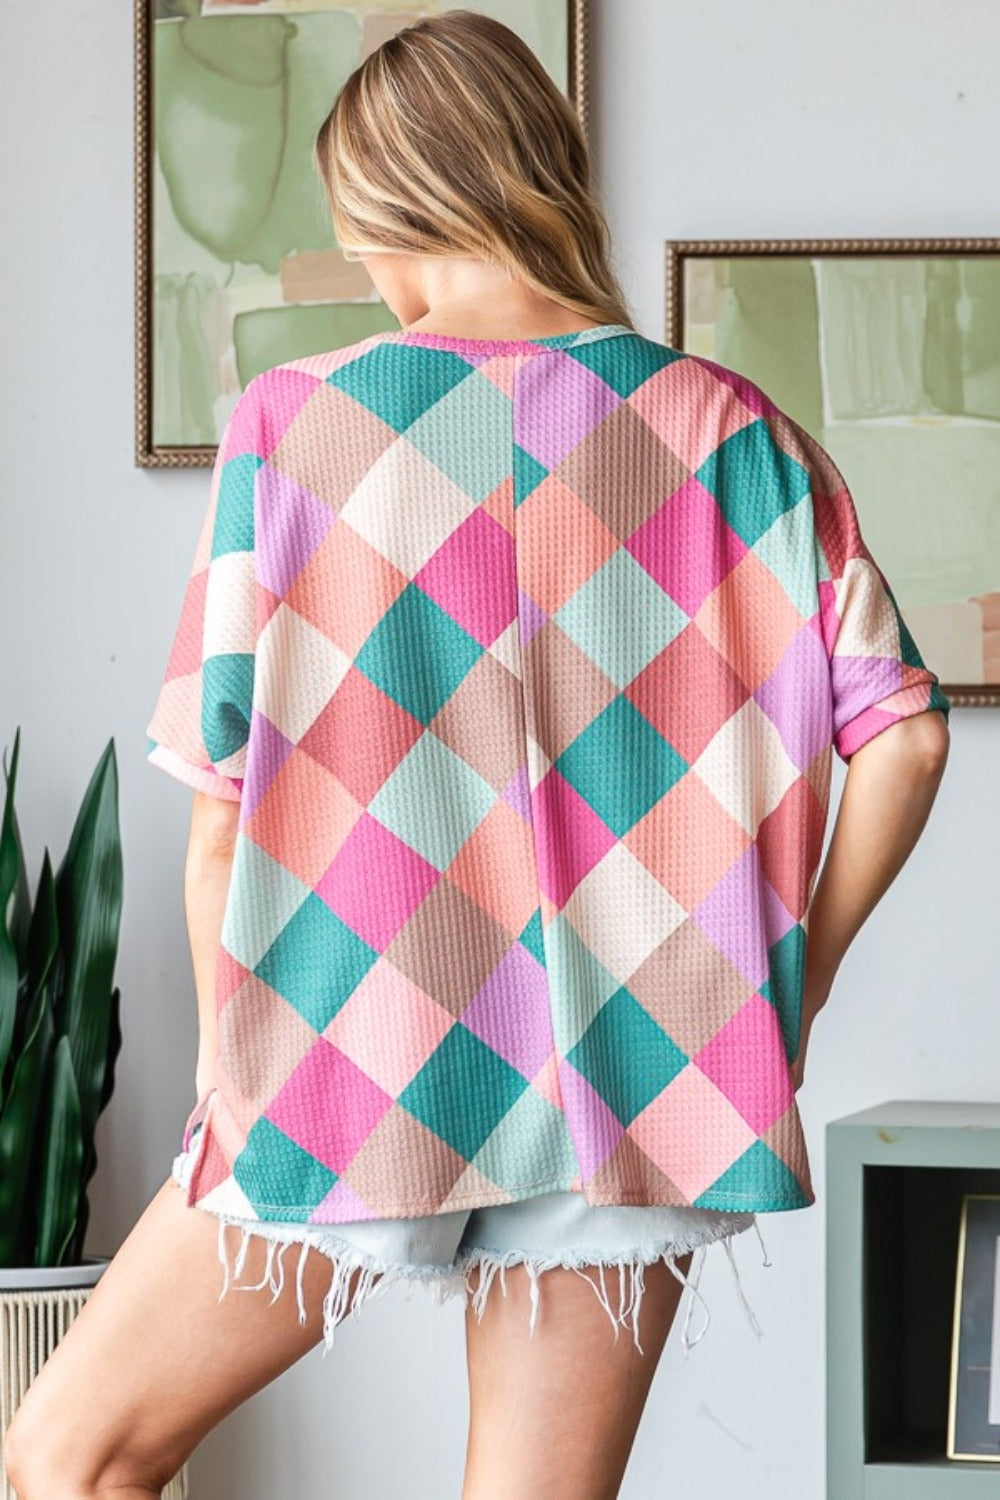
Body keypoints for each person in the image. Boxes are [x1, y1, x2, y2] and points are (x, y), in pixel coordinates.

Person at [4, 11, 951, 1500]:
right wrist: (797, 988)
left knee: (70, 1457)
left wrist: (227, 1082)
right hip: (649, 1071)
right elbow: (905, 736)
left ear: (387, 197)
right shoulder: (735, 432)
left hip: (349, 1046)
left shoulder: (293, 426)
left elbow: (220, 810)